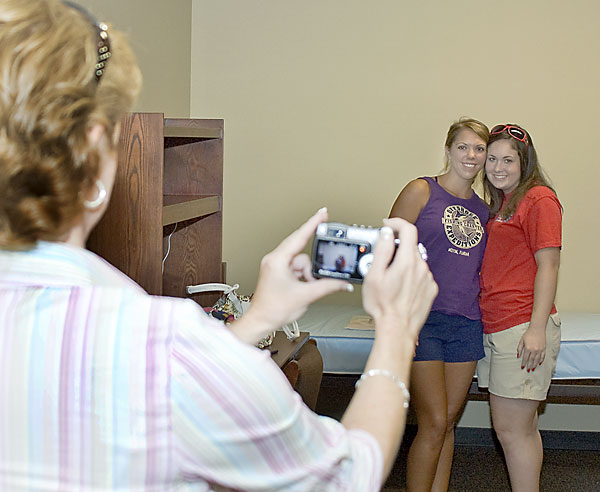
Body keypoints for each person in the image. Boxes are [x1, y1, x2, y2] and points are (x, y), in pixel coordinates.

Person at [0, 1, 438, 490]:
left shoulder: (159, 347)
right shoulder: (158, 341)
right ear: (95, 155)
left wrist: (258, 319)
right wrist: (398, 329)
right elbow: (347, 476)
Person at [388, 117, 490, 492]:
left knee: (447, 421)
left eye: (479, 149)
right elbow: (388, 253)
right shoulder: (421, 190)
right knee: (431, 420)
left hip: (465, 322)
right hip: (422, 320)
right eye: (463, 147)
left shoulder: (483, 210)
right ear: (448, 150)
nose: (471, 155)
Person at [478, 124, 562, 492]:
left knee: (514, 433)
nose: (497, 167)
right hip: (499, 325)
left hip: (521, 325)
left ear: (524, 162)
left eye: (508, 160)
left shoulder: (539, 199)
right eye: (491, 158)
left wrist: (536, 329)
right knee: (514, 430)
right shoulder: (504, 204)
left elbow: (550, 265)